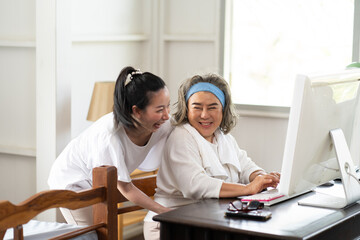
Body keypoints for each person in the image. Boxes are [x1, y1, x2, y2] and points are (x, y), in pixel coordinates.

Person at [143, 74, 280, 240]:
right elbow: (195, 185)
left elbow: (245, 166)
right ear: (187, 108)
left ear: (223, 108)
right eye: (197, 107)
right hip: (170, 225)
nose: (204, 115)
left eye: (212, 107)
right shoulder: (181, 136)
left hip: (208, 222)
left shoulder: (223, 137)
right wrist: (248, 189)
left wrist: (262, 178)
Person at [48, 66, 173, 225]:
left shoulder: (160, 123)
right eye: (160, 109)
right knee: (91, 235)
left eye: (168, 105)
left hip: (100, 181)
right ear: (136, 111)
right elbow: (126, 188)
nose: (167, 115)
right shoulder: (109, 137)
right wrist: (164, 211)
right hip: (73, 182)